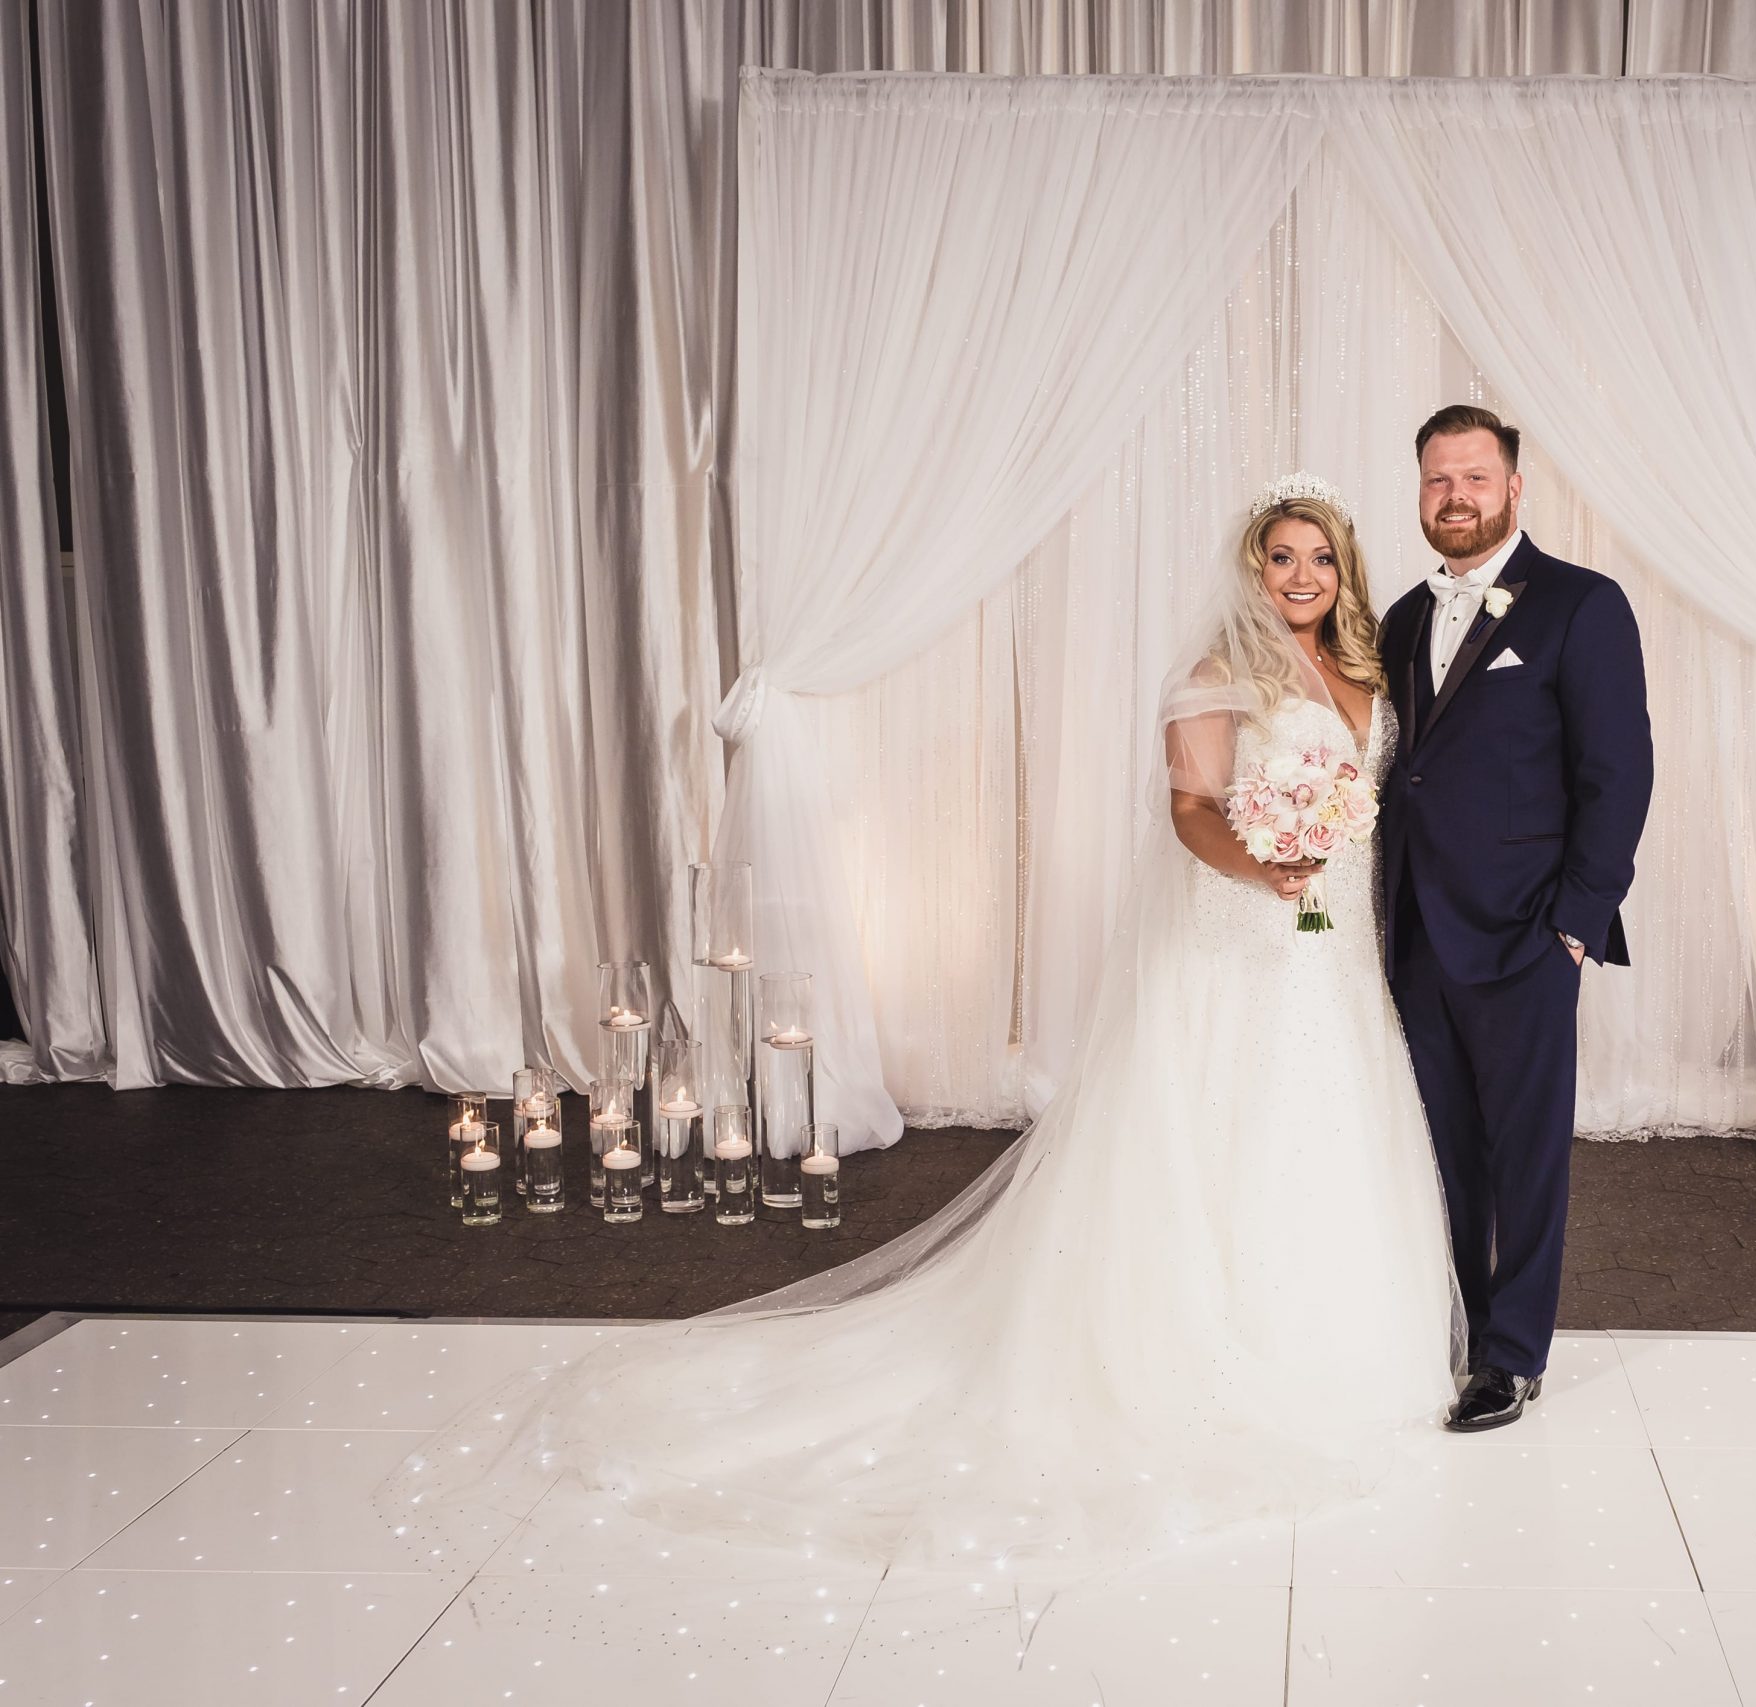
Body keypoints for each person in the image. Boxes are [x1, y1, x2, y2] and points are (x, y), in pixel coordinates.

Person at [385, 476, 1460, 1573]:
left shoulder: (1365, 669)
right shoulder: (1218, 675)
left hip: (1334, 961)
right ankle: (1217, 1351)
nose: (1300, 577)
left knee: (1320, 1133)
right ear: (1251, 568)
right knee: (1224, 1135)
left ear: (1344, 570)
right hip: (1240, 946)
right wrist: (1266, 864)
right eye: (1280, 557)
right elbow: (1189, 811)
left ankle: (1336, 1348)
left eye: (1318, 559)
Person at [1380, 406, 1654, 1432]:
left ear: (1512, 488)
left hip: (1526, 931)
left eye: (1473, 479)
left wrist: (1577, 922)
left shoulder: (1581, 606)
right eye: (1435, 481)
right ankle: (1458, 1323)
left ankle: (1512, 1353)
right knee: (1440, 1144)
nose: (1454, 497)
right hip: (1412, 931)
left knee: (1523, 1150)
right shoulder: (1401, 617)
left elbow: (1617, 772)